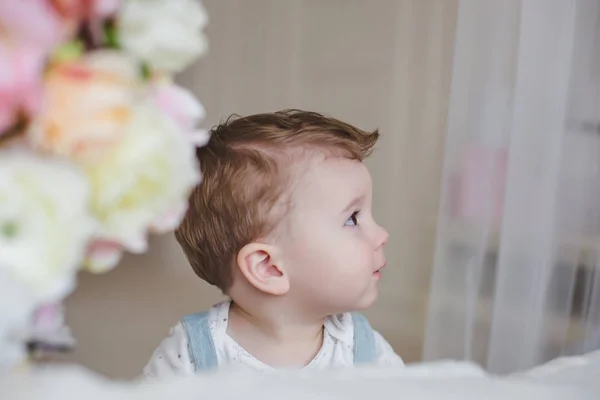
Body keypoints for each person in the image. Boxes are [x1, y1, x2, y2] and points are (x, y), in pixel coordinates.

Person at [143, 110, 404, 377]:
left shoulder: (366, 355)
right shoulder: (191, 358)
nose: (382, 234)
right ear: (269, 267)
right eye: (352, 219)